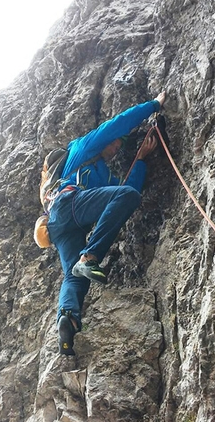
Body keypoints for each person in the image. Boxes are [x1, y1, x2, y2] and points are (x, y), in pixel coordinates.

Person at [47, 91, 166, 355]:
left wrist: (142, 160)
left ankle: (68, 319)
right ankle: (89, 256)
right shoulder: (83, 148)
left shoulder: (104, 176)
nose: (116, 148)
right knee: (83, 263)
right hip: (69, 204)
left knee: (74, 276)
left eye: (121, 146)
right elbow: (118, 123)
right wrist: (154, 105)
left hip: (61, 224)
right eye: (116, 143)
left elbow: (126, 192)